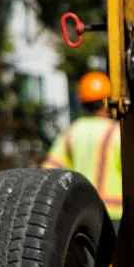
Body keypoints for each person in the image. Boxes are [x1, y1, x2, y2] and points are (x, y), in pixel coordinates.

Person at [44, 71, 123, 220]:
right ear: (109, 100)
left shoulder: (72, 131)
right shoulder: (116, 132)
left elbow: (48, 169)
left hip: (81, 215)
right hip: (116, 214)